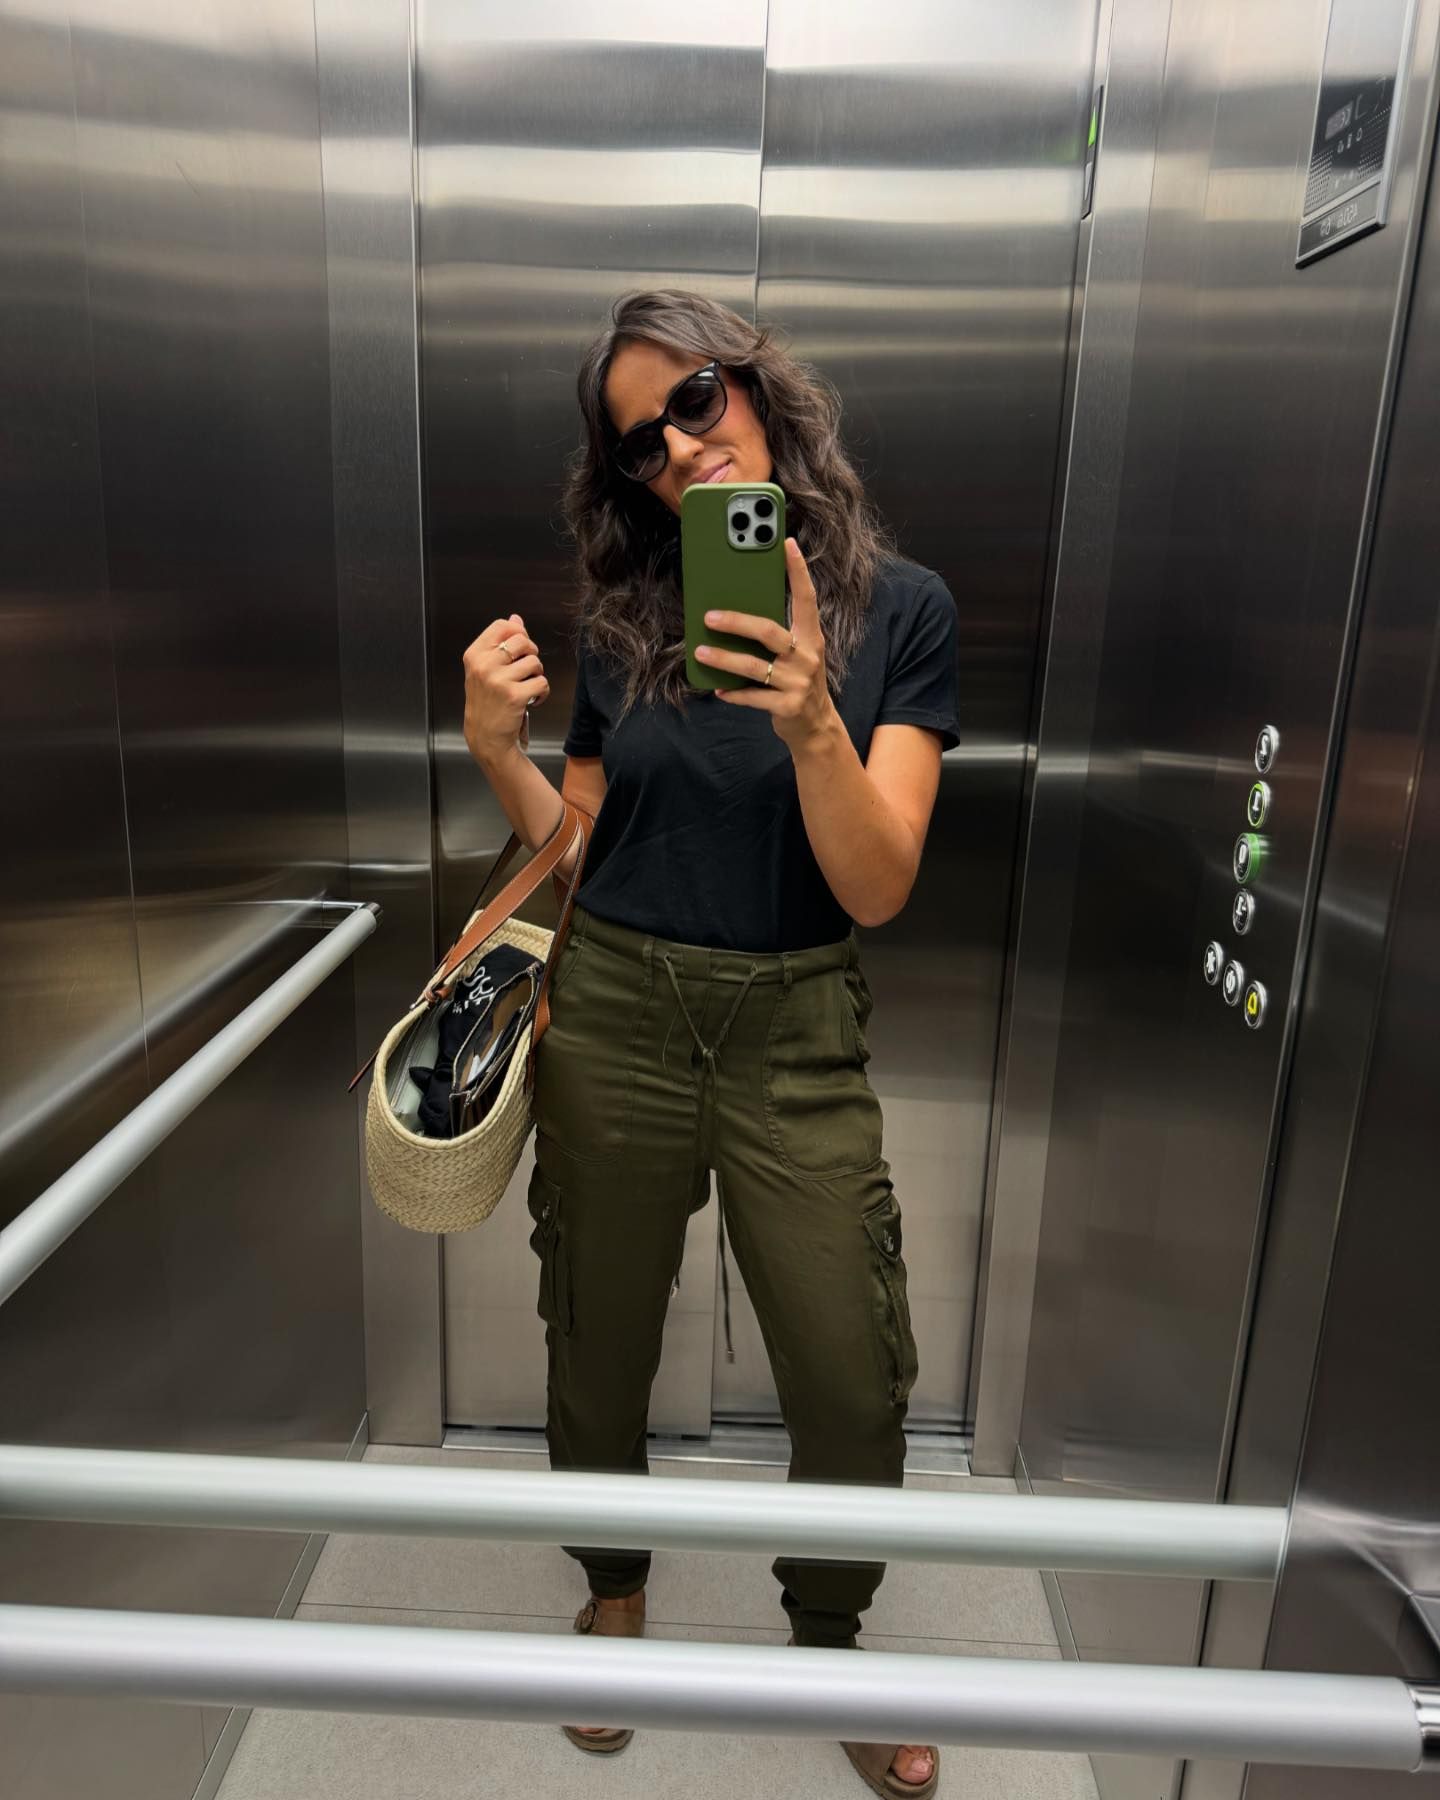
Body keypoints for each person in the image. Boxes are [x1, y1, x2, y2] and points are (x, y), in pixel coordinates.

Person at [461, 289, 959, 1798]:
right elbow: (580, 852)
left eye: (695, 401)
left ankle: (829, 1637)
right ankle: (613, 1590)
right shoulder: (627, 620)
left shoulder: (904, 613)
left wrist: (811, 716)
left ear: (758, 390)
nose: (679, 449)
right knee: (597, 1332)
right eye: (641, 443)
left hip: (796, 1027)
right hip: (617, 1008)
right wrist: (497, 753)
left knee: (852, 1371)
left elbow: (879, 882)